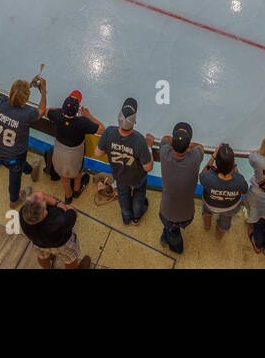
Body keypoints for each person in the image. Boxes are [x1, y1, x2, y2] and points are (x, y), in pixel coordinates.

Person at [94, 97, 154, 226]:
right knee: (139, 194)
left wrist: (110, 147)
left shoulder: (109, 132)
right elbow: (148, 167)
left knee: (123, 194)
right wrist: (149, 146)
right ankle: (136, 218)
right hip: (137, 177)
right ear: (134, 121)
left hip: (119, 175)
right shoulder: (139, 140)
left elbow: (97, 153)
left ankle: (126, 218)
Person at [0, 76, 47, 209]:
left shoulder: (0, 102)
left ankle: (30, 171)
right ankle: (14, 200)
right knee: (15, 178)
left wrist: (28, 85)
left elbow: (13, 97)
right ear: (26, 99)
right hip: (14, 156)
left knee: (20, 164)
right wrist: (44, 91)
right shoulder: (26, 114)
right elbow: (41, 111)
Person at [45, 90, 103, 201]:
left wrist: (59, 111)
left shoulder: (57, 115)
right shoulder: (83, 122)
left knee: (63, 177)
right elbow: (102, 130)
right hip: (74, 159)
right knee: (77, 174)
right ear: (77, 110)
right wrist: (88, 116)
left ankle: (68, 196)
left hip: (58, 161)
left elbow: (46, 111)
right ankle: (76, 190)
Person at [156, 120, 203, 253]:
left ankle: (167, 236)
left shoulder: (165, 153)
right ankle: (176, 248)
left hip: (167, 213)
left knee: (171, 228)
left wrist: (176, 140)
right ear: (188, 145)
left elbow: (165, 138)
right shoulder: (195, 157)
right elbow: (200, 147)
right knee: (173, 231)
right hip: (187, 215)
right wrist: (188, 145)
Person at [19, 191, 92, 269]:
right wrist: (60, 205)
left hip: (39, 244)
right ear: (44, 214)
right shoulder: (59, 221)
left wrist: (55, 203)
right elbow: (73, 212)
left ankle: (47, 267)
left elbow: (40, 196)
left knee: (42, 256)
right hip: (62, 245)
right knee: (70, 259)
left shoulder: (23, 214)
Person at [200, 142, 248, 238]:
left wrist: (213, 157)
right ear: (232, 164)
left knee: (207, 211)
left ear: (217, 163)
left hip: (210, 204)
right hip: (229, 208)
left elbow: (202, 176)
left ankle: (207, 225)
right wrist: (234, 166)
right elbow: (244, 191)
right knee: (225, 223)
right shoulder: (239, 180)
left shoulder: (208, 177)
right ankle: (218, 235)